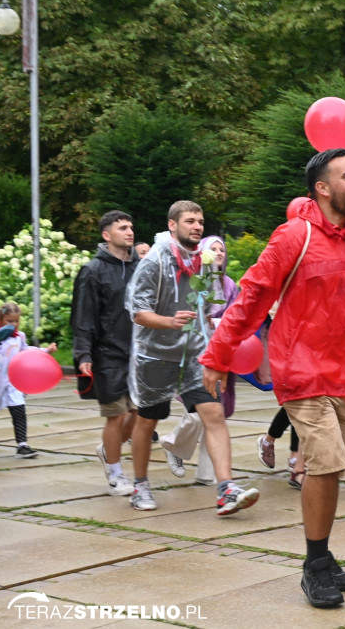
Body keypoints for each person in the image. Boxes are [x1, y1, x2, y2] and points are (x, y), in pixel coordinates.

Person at [199, 148, 345, 609]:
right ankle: (314, 566)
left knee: (330, 469)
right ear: (322, 188)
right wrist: (218, 355)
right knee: (323, 463)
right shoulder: (293, 236)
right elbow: (251, 298)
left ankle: (321, 554)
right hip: (301, 371)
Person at [125, 201, 258, 516]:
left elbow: (212, 303)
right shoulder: (155, 259)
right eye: (190, 221)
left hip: (196, 350)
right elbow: (137, 312)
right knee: (147, 420)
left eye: (200, 221)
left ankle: (226, 488)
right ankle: (140, 484)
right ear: (173, 225)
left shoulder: (208, 258)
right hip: (155, 354)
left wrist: (217, 349)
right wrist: (168, 321)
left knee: (213, 413)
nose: (197, 226)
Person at [160, 235, 240, 486]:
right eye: (212, 249)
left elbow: (236, 316)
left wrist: (215, 323)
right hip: (193, 354)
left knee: (217, 414)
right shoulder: (191, 282)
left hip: (222, 353)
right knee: (196, 413)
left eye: (221, 249)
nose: (218, 253)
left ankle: (208, 474)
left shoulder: (229, 285)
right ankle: (173, 444)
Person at [72, 211, 141, 494]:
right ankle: (115, 473)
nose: (129, 232)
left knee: (139, 414)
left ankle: (107, 449)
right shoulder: (93, 271)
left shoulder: (141, 267)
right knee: (115, 414)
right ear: (106, 235)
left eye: (131, 227)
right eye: (122, 227)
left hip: (138, 353)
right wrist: (83, 354)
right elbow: (83, 316)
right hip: (107, 355)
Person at [0, 301, 57, 458]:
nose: (13, 325)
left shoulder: (19, 338)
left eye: (16, 321)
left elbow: (28, 351)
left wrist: (45, 351)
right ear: (0, 319)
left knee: (19, 410)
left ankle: (22, 445)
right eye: (9, 321)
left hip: (12, 383)